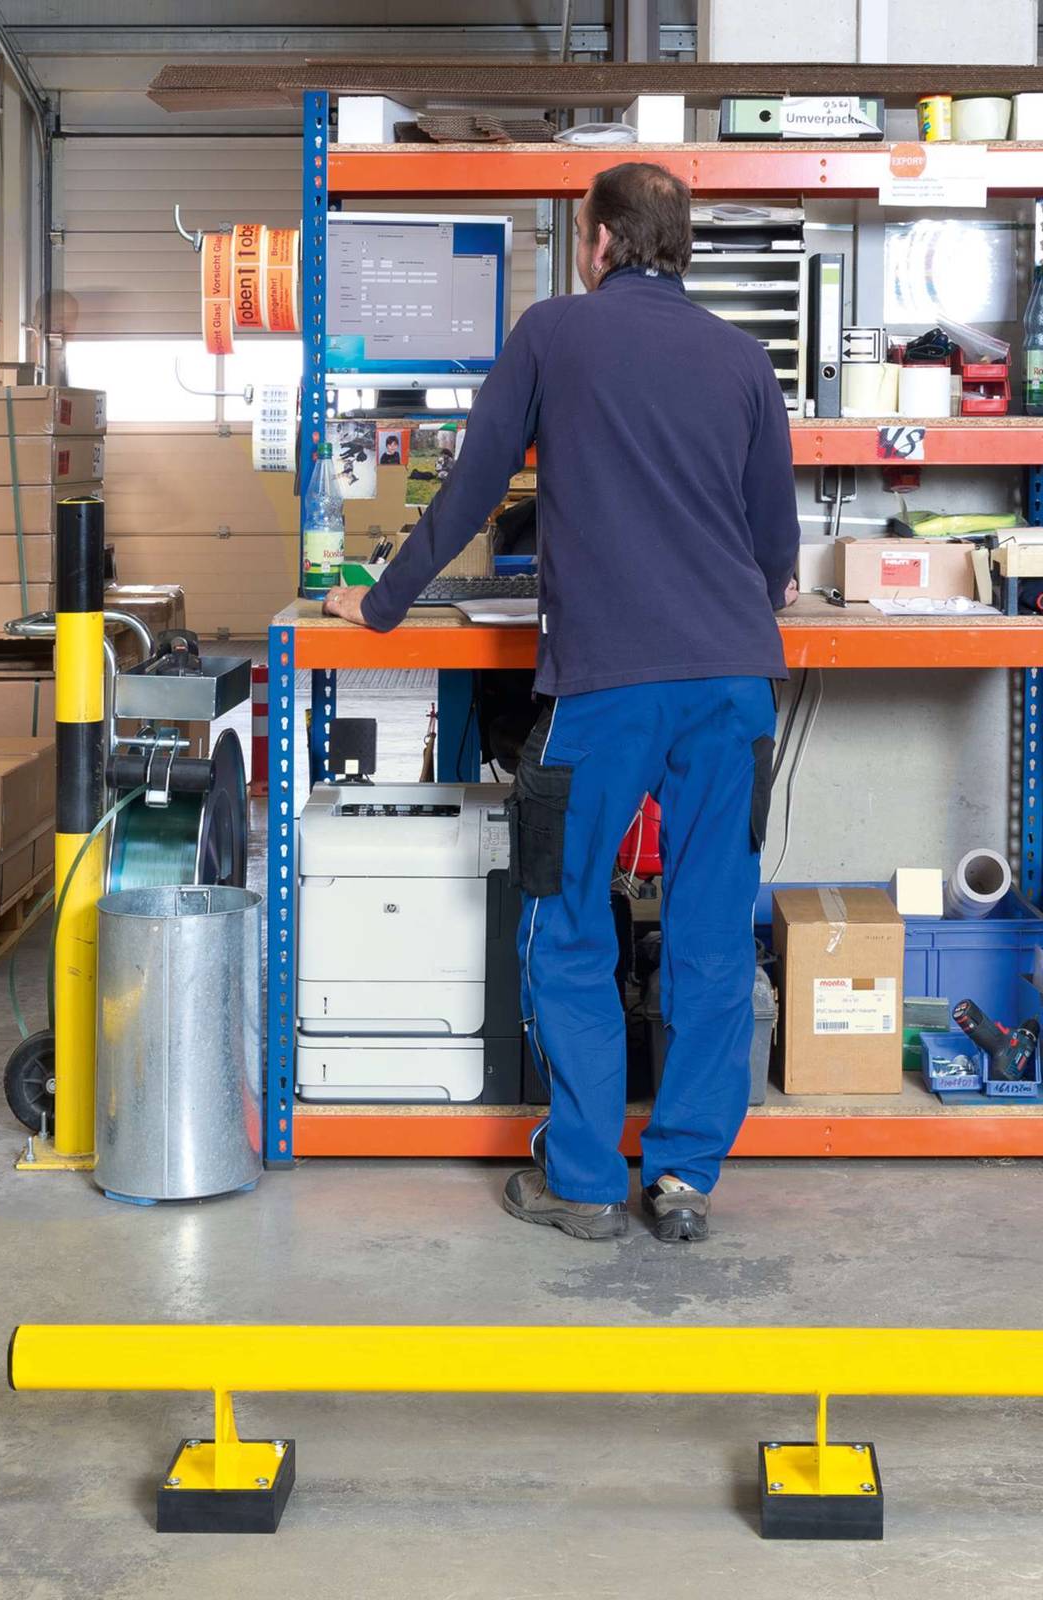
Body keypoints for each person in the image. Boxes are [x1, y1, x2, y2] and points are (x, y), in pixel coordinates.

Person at [321, 162, 800, 1244]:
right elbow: (775, 539)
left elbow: (472, 487)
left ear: (600, 241)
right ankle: (682, 1181)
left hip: (607, 686)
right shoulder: (743, 360)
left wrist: (381, 603)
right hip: (733, 687)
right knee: (712, 932)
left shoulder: (551, 332)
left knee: (567, 919)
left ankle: (583, 1179)